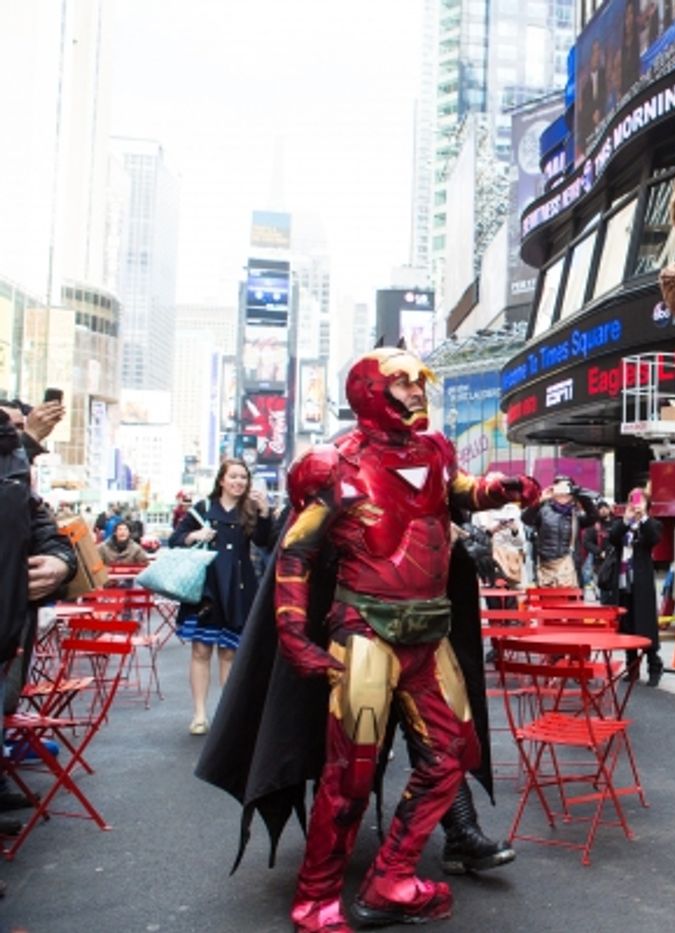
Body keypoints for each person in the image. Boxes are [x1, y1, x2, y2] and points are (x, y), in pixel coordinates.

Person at [202, 347, 539, 932]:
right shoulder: (331, 465)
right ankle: (316, 897)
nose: (415, 392)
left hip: (428, 634)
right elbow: (295, 556)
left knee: (451, 755)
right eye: (402, 383)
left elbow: (459, 489)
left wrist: (501, 488)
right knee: (349, 773)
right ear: (367, 390)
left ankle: (391, 878)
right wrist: (292, 634)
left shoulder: (434, 451)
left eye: (418, 383)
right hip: (365, 635)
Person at [0, 405, 77, 843]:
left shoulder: (18, 478)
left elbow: (46, 531)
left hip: (11, 634)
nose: (13, 435)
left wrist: (60, 564)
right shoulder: (15, 465)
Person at [169, 458, 275, 735]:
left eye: (243, 477)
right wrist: (195, 535)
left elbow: (266, 542)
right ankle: (200, 715)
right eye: (234, 477)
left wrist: (265, 512)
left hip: (240, 588)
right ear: (221, 480)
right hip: (207, 588)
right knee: (201, 650)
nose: (239, 482)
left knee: (230, 653)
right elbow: (175, 539)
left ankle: (226, 718)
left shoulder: (251, 510)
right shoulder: (203, 508)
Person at [610, 487, 663, 685]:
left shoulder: (652, 524)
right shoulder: (622, 524)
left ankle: (654, 665)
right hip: (623, 580)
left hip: (641, 582)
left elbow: (654, 539)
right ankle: (632, 667)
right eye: (632, 500)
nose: (635, 504)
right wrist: (627, 519)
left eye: (639, 500)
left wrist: (642, 518)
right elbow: (613, 538)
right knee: (627, 624)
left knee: (646, 624)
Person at [521, 473, 596, 588]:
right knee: (547, 603)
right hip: (546, 565)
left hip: (569, 566)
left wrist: (581, 495)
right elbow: (526, 519)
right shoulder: (543, 510)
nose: (563, 494)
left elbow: (593, 517)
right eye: (559, 489)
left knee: (570, 603)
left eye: (566, 490)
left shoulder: (575, 513)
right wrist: (539, 500)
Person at [576, 498, 612, 598]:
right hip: (600, 562)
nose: (603, 510)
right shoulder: (594, 526)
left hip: (614, 560)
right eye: (600, 508)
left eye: (605, 508)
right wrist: (599, 552)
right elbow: (586, 542)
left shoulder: (616, 523)